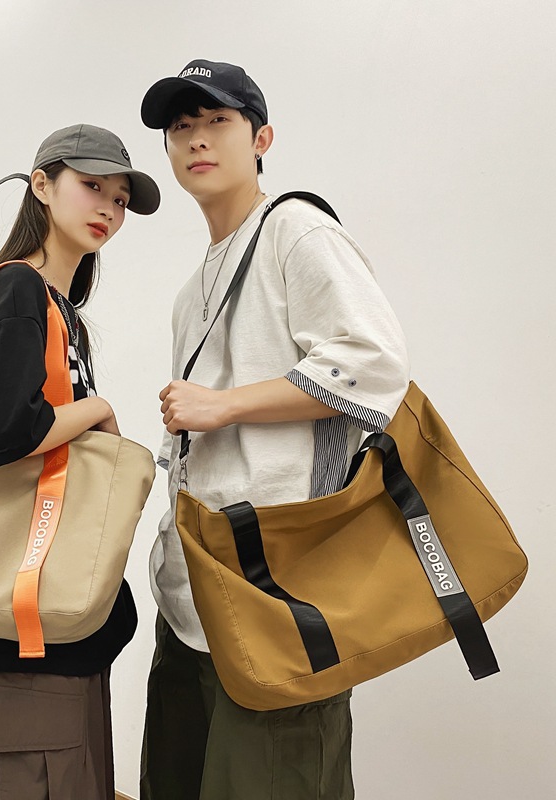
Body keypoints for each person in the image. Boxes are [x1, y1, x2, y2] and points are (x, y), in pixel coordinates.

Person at [139, 60, 410, 800]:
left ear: (261, 139)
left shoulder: (296, 229)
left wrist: (224, 405)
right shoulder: (192, 288)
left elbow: (374, 364)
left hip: (278, 592)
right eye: (180, 127)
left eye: (217, 121)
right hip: (194, 594)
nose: (197, 139)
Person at [0, 123, 160, 800]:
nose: (108, 209)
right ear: (41, 185)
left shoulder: (63, 314)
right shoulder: (17, 291)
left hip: (56, 640)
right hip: (23, 658)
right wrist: (99, 412)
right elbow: (3, 431)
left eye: (120, 200)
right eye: (92, 187)